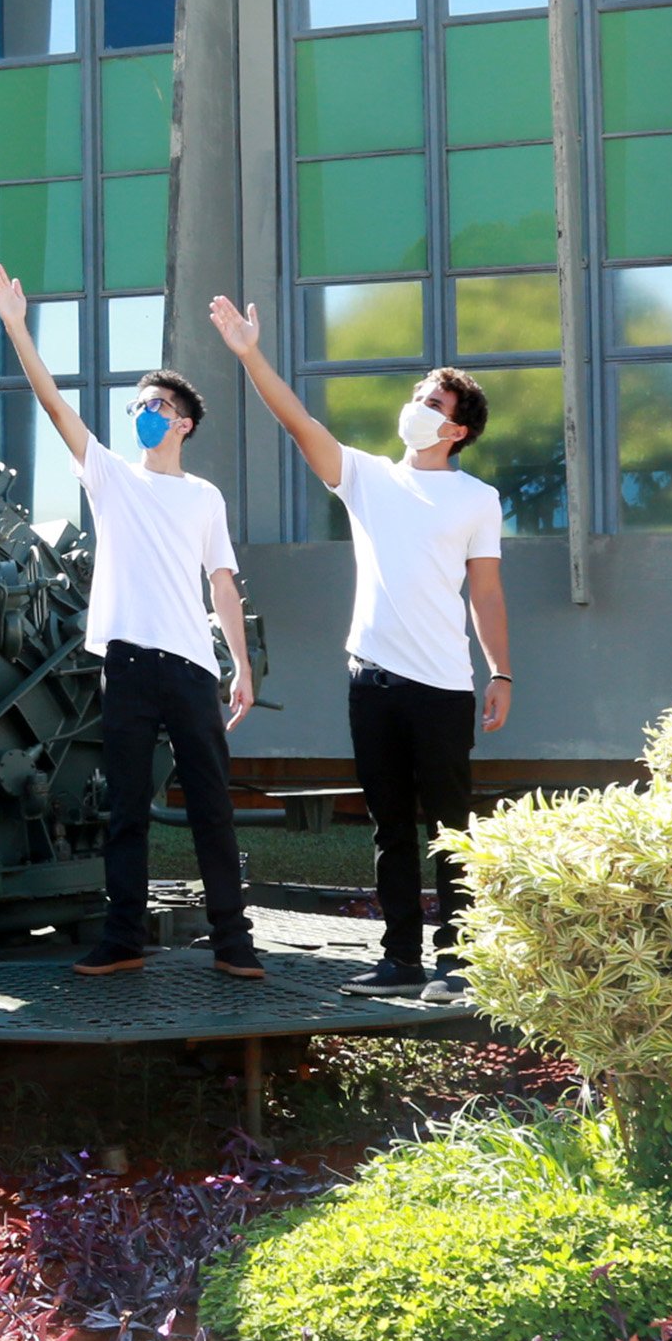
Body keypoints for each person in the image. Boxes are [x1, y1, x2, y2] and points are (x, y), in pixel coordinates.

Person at [208, 299, 512, 1005]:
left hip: (443, 686)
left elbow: (487, 593)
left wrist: (501, 671)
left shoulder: (477, 499)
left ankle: (459, 965)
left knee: (449, 829)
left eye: (432, 401)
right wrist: (251, 353)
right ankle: (400, 962)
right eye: (418, 395)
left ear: (457, 428)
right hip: (369, 680)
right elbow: (299, 422)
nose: (417, 405)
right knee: (388, 829)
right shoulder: (369, 477)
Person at [0, 261, 263, 979]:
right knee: (126, 810)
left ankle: (235, 941)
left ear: (185, 423)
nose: (146, 411)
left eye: (159, 405)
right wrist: (16, 325)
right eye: (140, 402)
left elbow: (222, 583)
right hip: (129, 667)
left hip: (195, 669)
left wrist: (241, 664)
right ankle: (123, 938)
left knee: (210, 810)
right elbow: (53, 405)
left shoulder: (204, 497)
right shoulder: (109, 476)